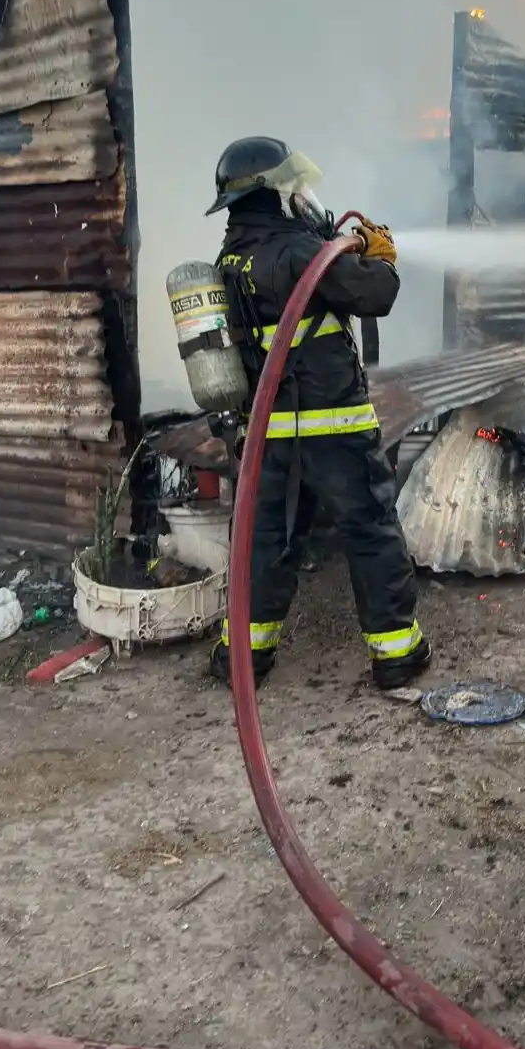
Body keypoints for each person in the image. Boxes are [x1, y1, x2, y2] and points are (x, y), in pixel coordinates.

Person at [205, 136, 431, 691]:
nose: (302, 195)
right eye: (293, 188)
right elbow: (375, 295)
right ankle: (396, 654)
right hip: (333, 424)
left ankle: (245, 657)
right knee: (370, 530)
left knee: (268, 540)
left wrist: (328, 237)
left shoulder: (231, 257)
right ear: (274, 194)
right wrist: (380, 255)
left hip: (272, 432)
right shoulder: (300, 254)